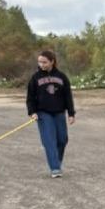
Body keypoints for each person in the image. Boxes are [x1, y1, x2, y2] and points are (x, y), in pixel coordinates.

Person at [26, 48, 75, 177]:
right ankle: (55, 168)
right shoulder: (35, 78)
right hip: (43, 113)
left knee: (62, 140)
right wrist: (32, 112)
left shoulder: (62, 77)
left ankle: (56, 161)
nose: (41, 65)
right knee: (49, 140)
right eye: (40, 62)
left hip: (59, 112)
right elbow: (30, 97)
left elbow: (68, 96)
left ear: (52, 62)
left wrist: (71, 113)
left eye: (44, 62)